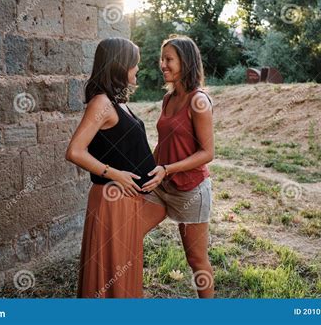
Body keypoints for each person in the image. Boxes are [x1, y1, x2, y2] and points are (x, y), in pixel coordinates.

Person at [65, 37, 166, 298]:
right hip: (112, 201)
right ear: (120, 65)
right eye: (135, 64)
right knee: (112, 274)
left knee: (123, 270)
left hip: (127, 199)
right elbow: (75, 151)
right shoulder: (101, 103)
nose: (138, 70)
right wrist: (114, 174)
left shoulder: (118, 101)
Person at [142, 35, 215, 298]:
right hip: (162, 186)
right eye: (162, 59)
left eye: (169, 59)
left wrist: (168, 168)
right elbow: (163, 144)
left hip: (191, 190)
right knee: (128, 232)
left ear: (185, 62)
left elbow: (208, 153)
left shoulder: (199, 101)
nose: (163, 64)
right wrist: (146, 169)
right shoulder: (167, 99)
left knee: (196, 260)